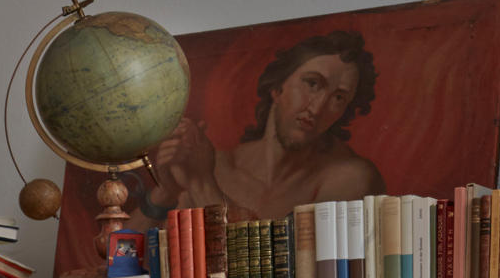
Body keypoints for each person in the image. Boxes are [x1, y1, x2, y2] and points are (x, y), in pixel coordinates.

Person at [145, 27, 386, 223]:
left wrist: (203, 184)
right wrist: (166, 193)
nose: (317, 108)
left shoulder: (350, 177)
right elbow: (127, 257)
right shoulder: (218, 165)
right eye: (312, 84)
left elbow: (279, 262)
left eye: (338, 98)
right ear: (277, 88)